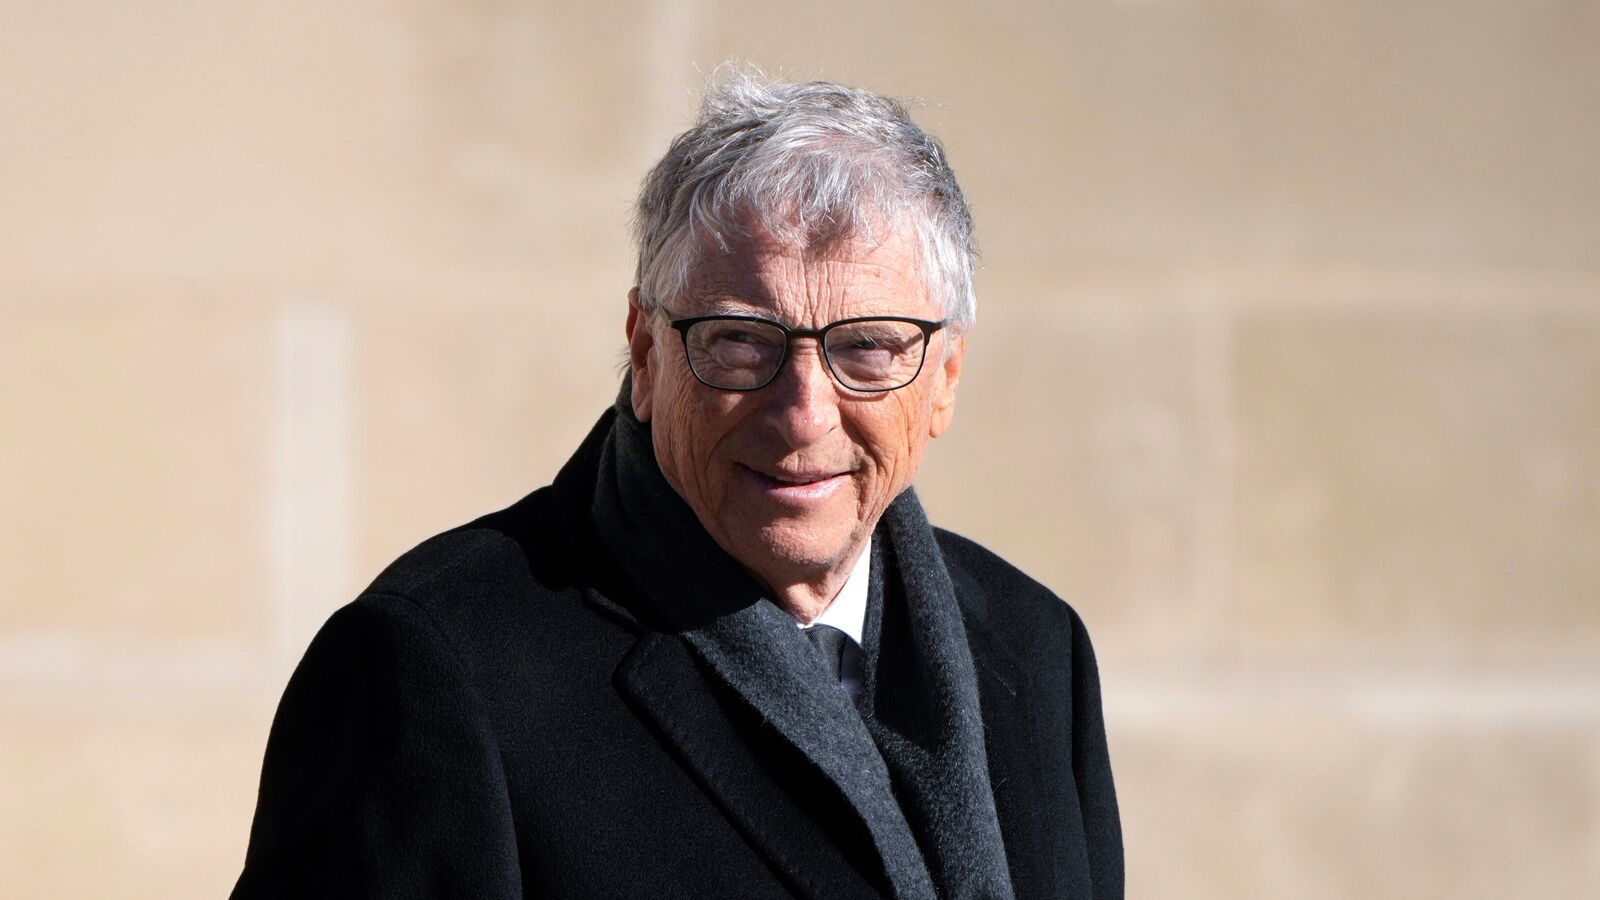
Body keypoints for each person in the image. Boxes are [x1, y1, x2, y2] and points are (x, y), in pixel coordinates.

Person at [232, 70, 1122, 900]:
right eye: (741, 341)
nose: (804, 414)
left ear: (945, 380)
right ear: (648, 352)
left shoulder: (1036, 649)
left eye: (868, 348)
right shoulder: (428, 670)